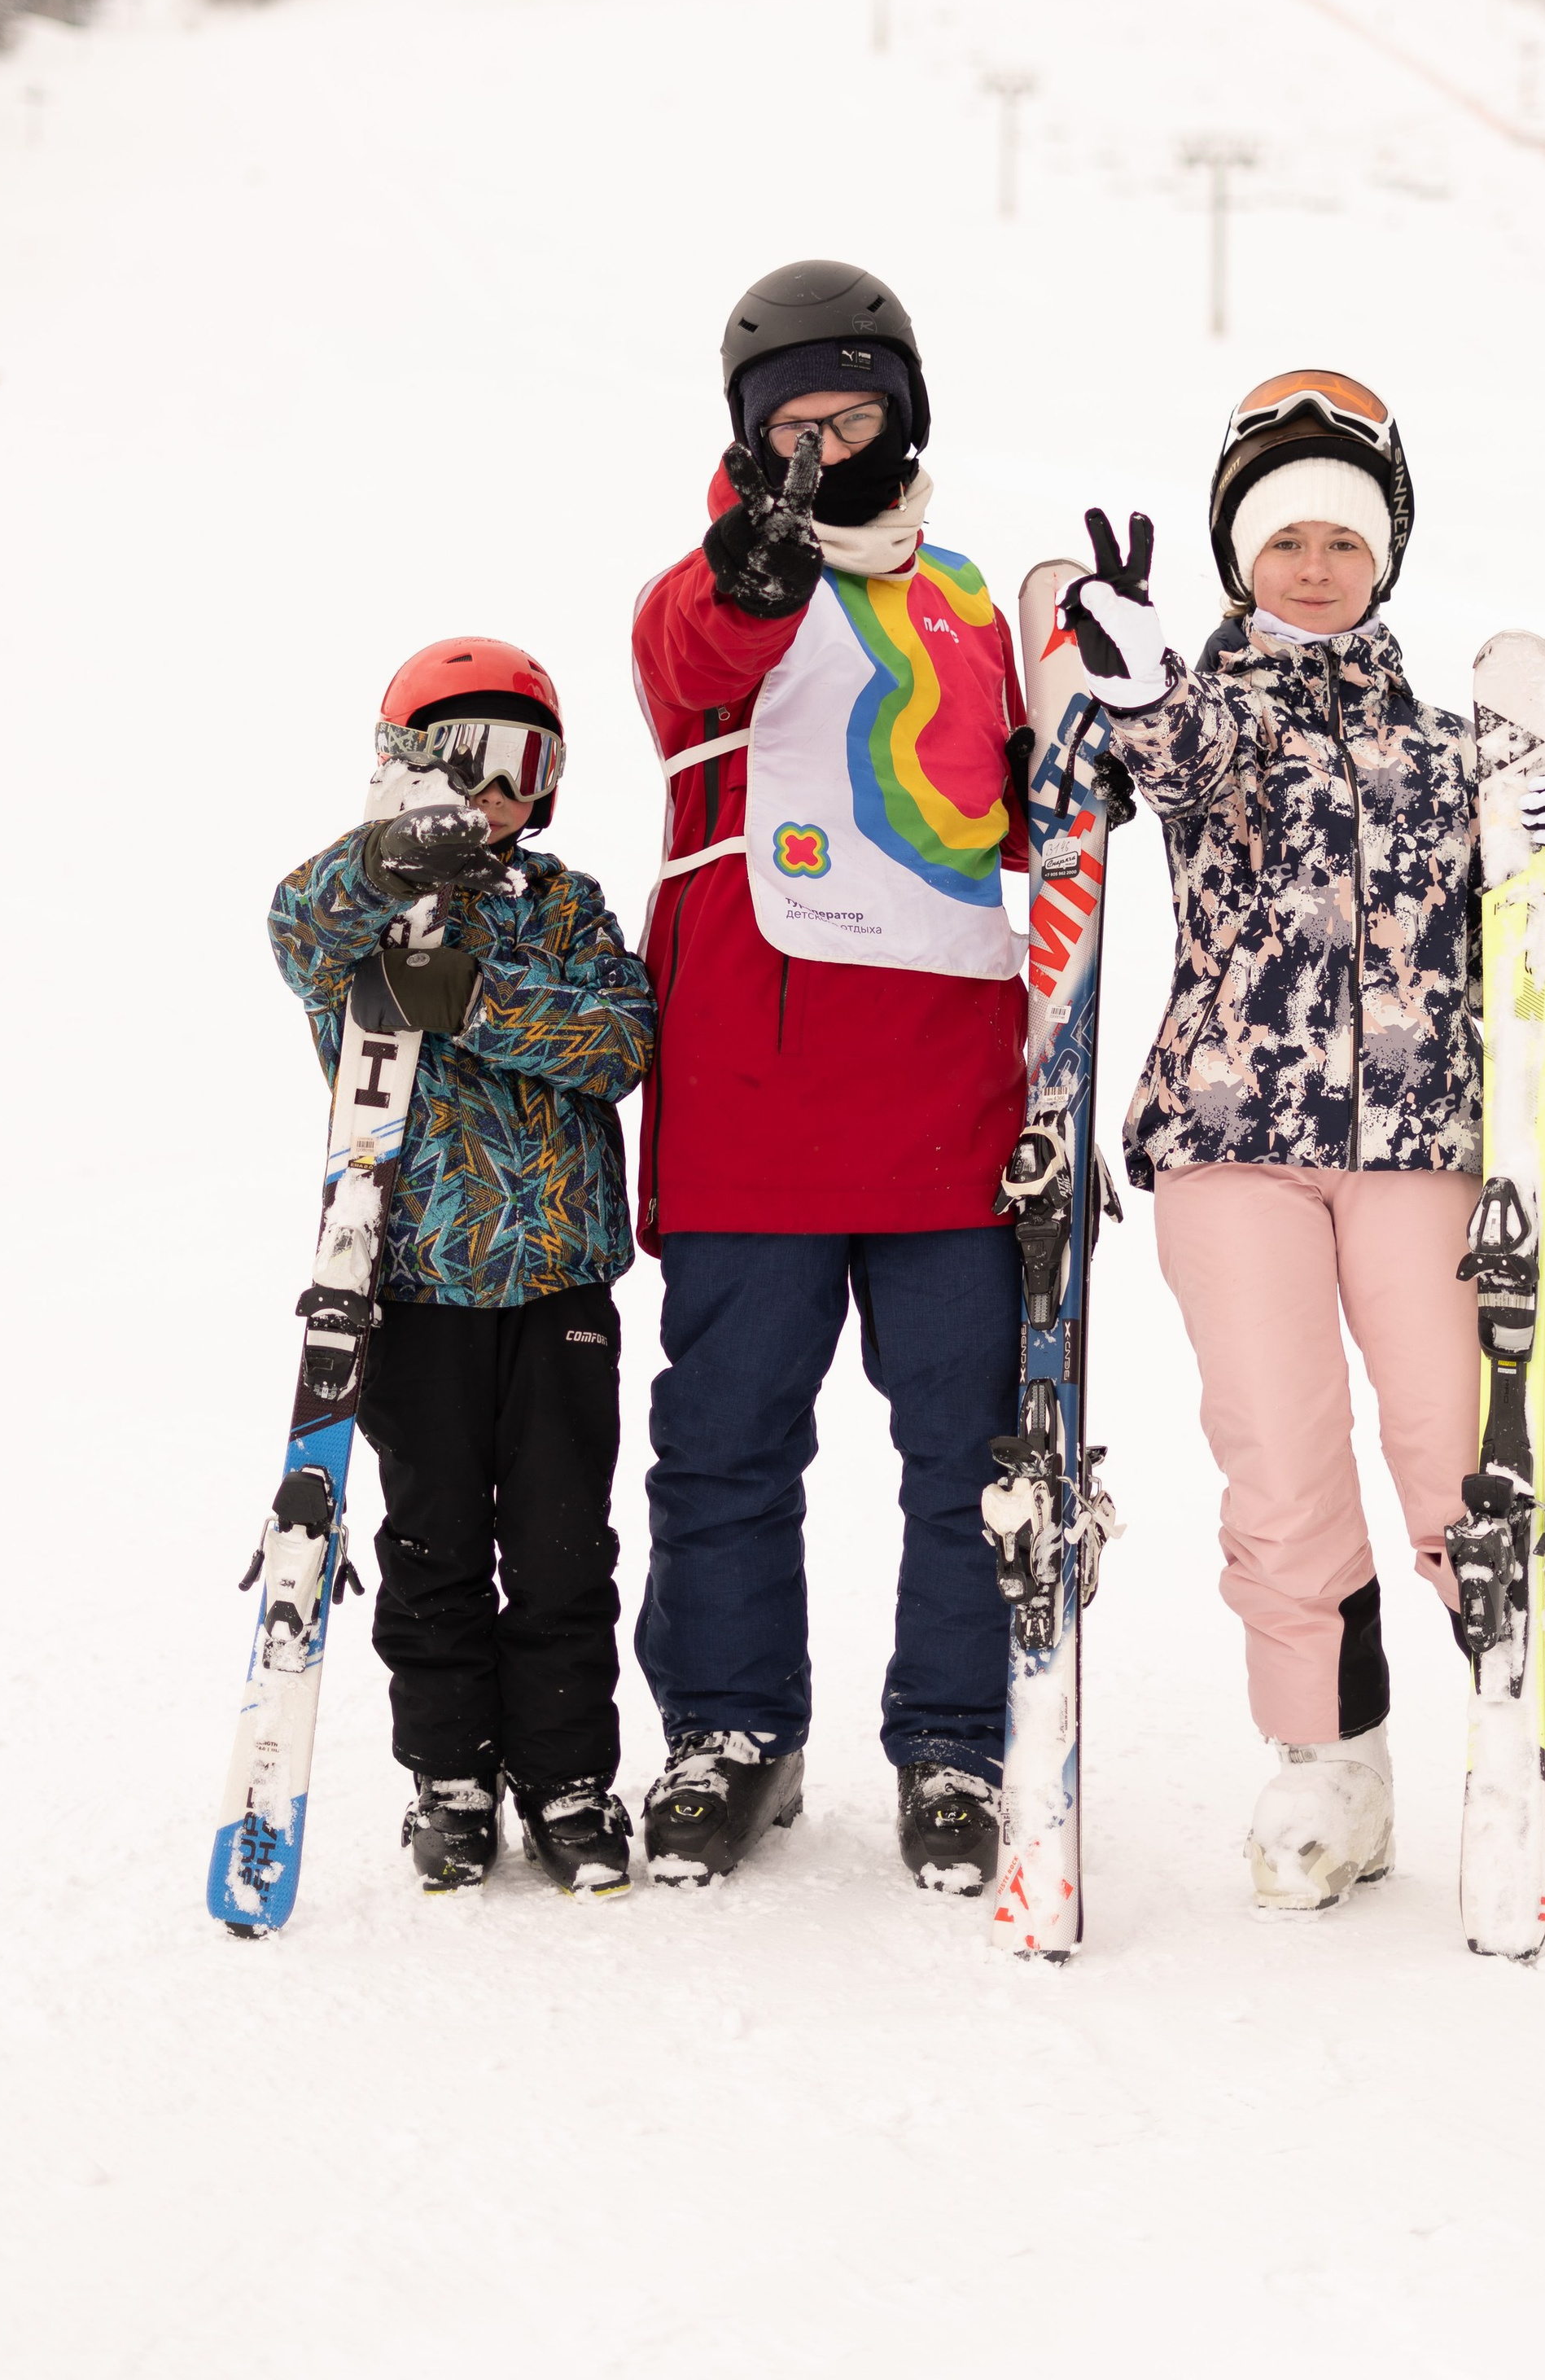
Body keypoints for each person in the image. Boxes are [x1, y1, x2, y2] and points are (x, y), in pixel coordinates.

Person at [1066, 370, 1545, 1919]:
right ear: (1238, 556)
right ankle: (1329, 1763)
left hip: (1424, 1145)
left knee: (1468, 1455)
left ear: (1385, 557)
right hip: (1228, 1143)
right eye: (1284, 539)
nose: (1315, 565)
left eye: (1344, 539)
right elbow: (1174, 758)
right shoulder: (1215, 725)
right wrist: (1136, 685)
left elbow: (1524, 946)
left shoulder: (1454, 751)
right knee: (1280, 1461)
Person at [629, 259, 1031, 1893]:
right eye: (790, 425)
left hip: (948, 1092)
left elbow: (1033, 813)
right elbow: (693, 657)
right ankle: (730, 1731)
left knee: (971, 1449)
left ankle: (955, 1740)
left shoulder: (973, 605)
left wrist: (1098, 727)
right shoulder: (706, 588)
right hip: (755, 1086)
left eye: (852, 419)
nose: (822, 450)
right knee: (727, 1435)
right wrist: (750, 565)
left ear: (904, 420)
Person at [269, 637, 654, 1898]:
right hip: (416, 1286)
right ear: (407, 765)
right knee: (433, 1545)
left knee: (562, 1545)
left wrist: (476, 1001)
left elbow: (621, 1041)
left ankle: (568, 1780)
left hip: (558, 1287)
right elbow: (295, 929)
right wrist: (389, 858)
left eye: (524, 767)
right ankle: (450, 1779)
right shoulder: (353, 909)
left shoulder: (565, 905)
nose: (495, 795)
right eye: (467, 763)